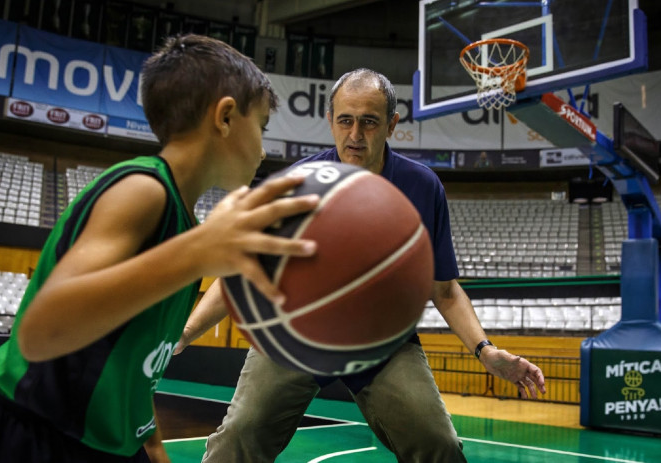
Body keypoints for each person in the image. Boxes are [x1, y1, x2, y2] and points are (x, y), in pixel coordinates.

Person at [0, 34, 320, 463]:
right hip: (41, 438)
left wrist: (151, 443)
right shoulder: (143, 191)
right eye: (260, 127)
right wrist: (197, 252)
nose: (263, 149)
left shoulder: (183, 222)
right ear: (225, 117)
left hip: (112, 442)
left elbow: (131, 357)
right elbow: (42, 330)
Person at [177, 68, 547, 462]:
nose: (355, 135)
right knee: (238, 436)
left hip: (383, 340)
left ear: (392, 125)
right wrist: (185, 331)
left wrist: (485, 350)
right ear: (330, 120)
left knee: (439, 446)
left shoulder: (421, 187)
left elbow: (444, 289)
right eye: (346, 120)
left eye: (369, 122)